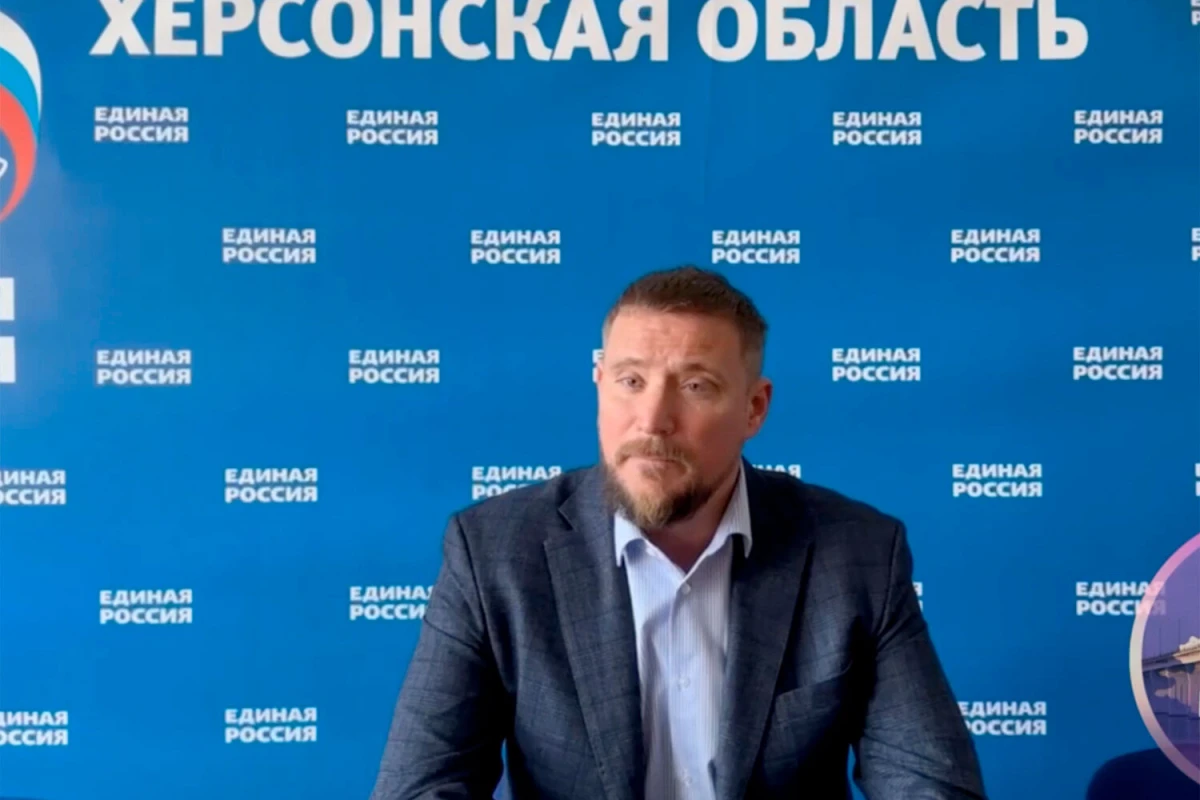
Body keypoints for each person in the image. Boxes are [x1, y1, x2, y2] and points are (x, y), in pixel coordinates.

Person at [368, 266, 987, 800]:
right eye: (631, 381)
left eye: (695, 386)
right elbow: (420, 787)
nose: (653, 420)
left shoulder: (858, 554)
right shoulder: (494, 552)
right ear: (599, 385)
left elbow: (929, 785)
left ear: (754, 408)